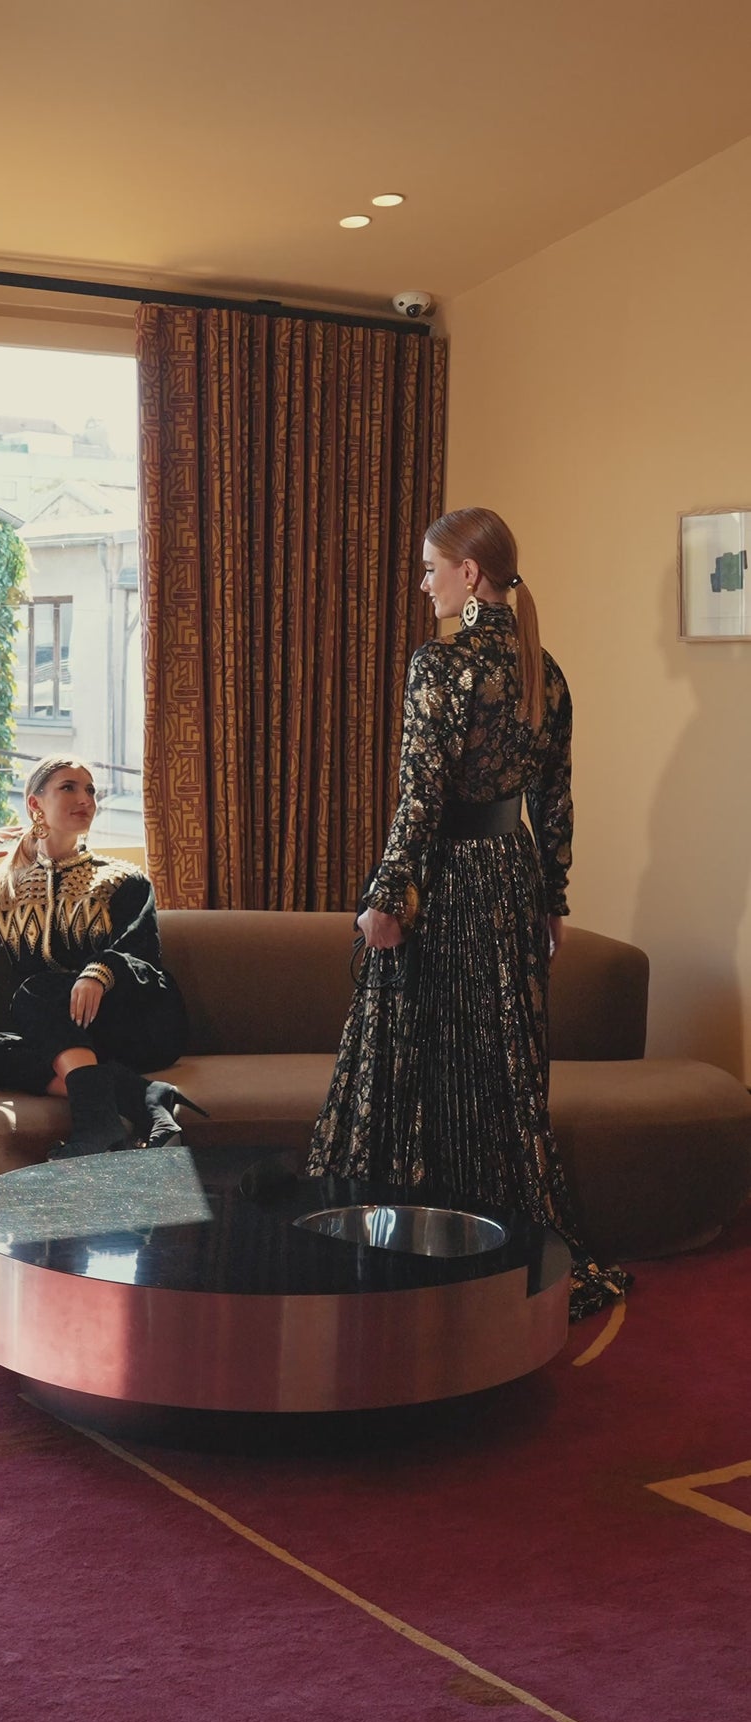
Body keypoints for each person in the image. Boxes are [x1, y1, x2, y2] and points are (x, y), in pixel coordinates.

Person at [308, 508, 628, 1321]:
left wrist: (387, 896)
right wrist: (552, 899)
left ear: (470, 573)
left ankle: (418, 1251)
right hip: (511, 879)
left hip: (446, 881)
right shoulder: (544, 670)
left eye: (431, 568)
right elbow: (555, 801)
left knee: (426, 1062)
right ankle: (503, 1250)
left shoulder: (442, 663)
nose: (425, 583)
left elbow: (421, 796)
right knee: (501, 1071)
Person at [0, 755, 200, 1157]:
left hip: (136, 1020)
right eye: (68, 787)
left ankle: (97, 1126)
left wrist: (98, 972)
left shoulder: (122, 878)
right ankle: (141, 1097)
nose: (85, 799)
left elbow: (141, 949)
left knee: (34, 992)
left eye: (90, 790)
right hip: (68, 1037)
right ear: (35, 804)